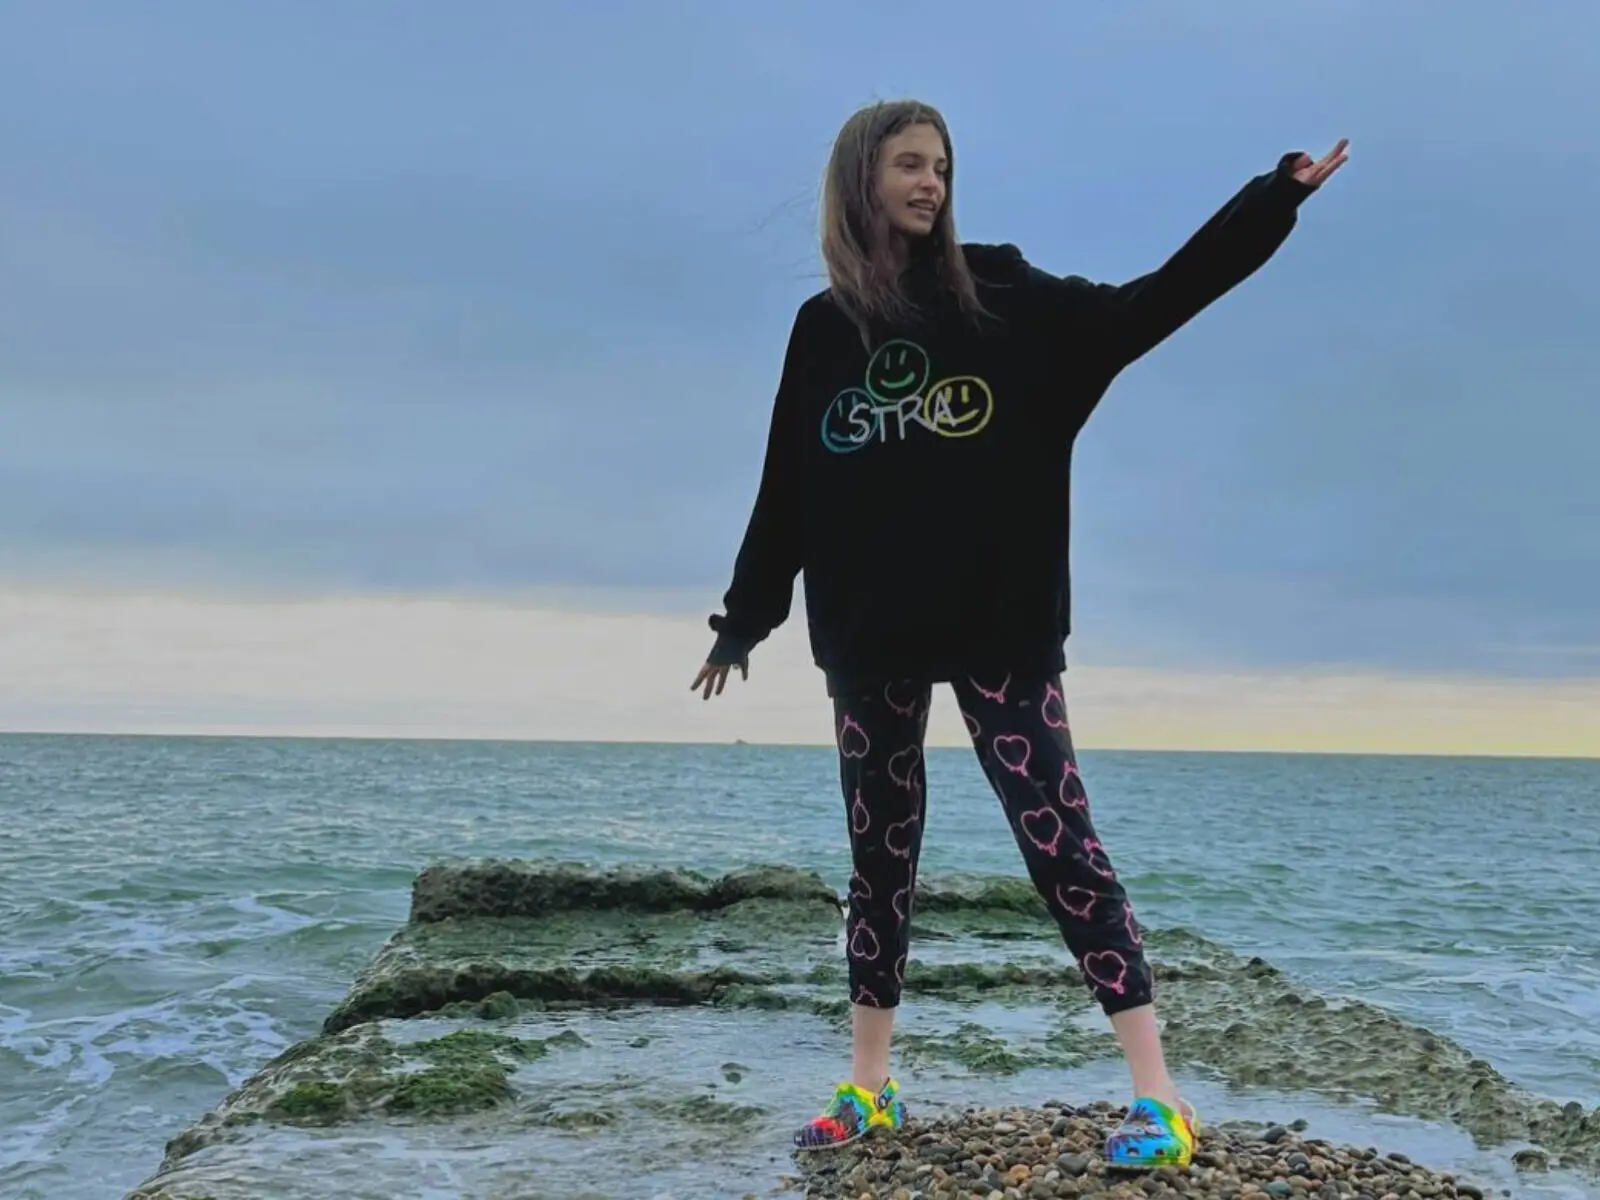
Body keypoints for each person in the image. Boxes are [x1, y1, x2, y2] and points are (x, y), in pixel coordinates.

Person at [690, 99, 1347, 1171]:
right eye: (909, 165)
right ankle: (869, 1089)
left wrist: (1269, 203)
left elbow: (1148, 305)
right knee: (878, 859)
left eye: (941, 167)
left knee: (1060, 842)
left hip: (998, 620)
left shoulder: (1001, 296)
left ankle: (1159, 1096)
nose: (930, 183)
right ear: (859, 180)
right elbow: (788, 488)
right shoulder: (824, 328)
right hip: (867, 634)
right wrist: (743, 620)